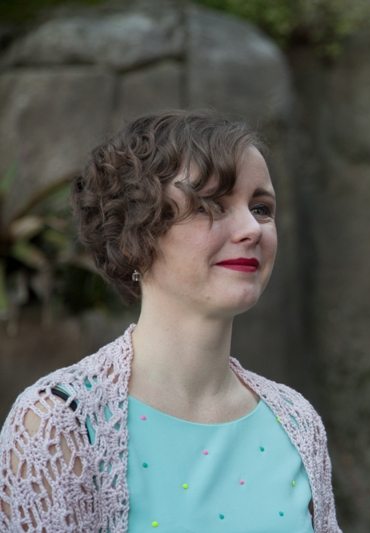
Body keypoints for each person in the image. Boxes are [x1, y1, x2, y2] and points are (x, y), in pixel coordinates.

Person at [0, 110, 340, 532]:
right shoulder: (61, 422)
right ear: (135, 234)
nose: (252, 228)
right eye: (211, 204)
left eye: (261, 207)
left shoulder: (296, 421)